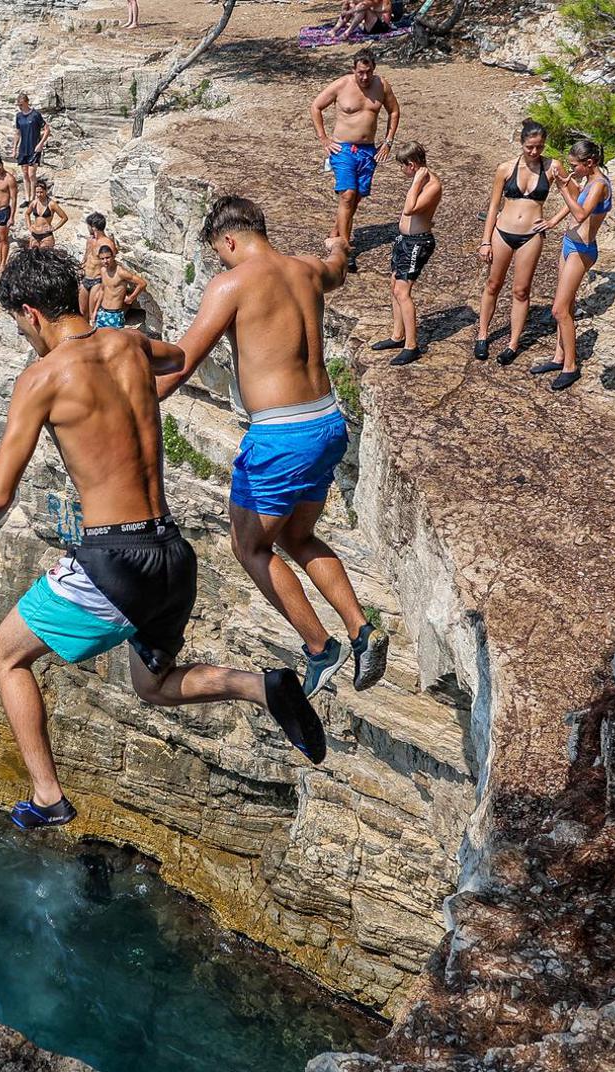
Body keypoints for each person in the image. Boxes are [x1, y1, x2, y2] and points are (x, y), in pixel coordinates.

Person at [0, 248, 328, 831]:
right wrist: (116, 335)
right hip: (172, 557)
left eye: (18, 324)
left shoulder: (43, 377)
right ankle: (262, 686)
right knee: (153, 686)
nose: (24, 336)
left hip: (115, 562)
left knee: (4, 656)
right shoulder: (131, 346)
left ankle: (48, 794)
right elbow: (179, 354)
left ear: (32, 313)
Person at [160, 196, 380, 697]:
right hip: (327, 423)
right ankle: (362, 630)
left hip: (281, 435)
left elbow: (182, 363)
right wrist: (337, 248)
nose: (221, 262)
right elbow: (337, 271)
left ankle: (321, 648)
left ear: (230, 240)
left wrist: (128, 406)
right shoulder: (305, 270)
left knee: (250, 545)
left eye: (220, 252)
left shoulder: (232, 284)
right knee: (297, 537)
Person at [529, 138, 611, 390]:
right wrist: (553, 220)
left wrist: (563, 188)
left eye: (575, 165)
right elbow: (577, 202)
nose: (572, 168)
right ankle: (558, 356)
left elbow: (580, 213)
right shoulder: (588, 180)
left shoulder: (599, 184)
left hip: (582, 249)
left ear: (590, 162)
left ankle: (571, 367)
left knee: (558, 310)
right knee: (567, 303)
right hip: (569, 243)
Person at [309, 49, 399, 273]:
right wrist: (324, 139)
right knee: (347, 195)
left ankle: (335, 232)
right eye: (360, 72)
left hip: (368, 150)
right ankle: (345, 249)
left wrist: (388, 142)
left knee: (355, 197)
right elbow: (316, 106)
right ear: (354, 70)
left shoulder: (382, 86)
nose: (365, 77)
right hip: (343, 149)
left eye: (368, 72)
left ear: (374, 69)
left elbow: (394, 112)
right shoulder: (341, 85)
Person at [475, 120, 556, 365]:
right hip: (503, 231)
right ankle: (482, 335)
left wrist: (552, 221)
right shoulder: (505, 168)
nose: (534, 152)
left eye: (539, 147)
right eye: (530, 147)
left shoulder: (552, 167)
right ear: (521, 143)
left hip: (531, 235)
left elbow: (574, 197)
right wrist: (485, 240)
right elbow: (493, 206)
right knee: (493, 284)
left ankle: (513, 343)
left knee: (521, 290)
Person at [369, 143, 441, 366]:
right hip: (405, 241)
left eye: (403, 167)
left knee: (403, 292)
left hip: (418, 243)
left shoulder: (432, 185)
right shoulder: (419, 180)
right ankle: (397, 336)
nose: (403, 172)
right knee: (394, 286)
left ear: (412, 165)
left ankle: (412, 346)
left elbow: (410, 208)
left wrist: (417, 182)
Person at [91, 245, 146, 329]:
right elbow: (102, 290)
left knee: (115, 341)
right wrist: (95, 311)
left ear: (113, 257)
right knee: (100, 340)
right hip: (102, 312)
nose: (105, 261)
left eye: (107, 257)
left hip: (115, 314)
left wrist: (131, 298)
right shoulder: (103, 270)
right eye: (102, 259)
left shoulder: (121, 272)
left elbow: (142, 283)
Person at [79, 213, 120, 319]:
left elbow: (112, 262)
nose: (88, 228)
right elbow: (86, 256)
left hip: (97, 281)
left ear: (93, 227)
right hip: (85, 278)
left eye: (89, 226)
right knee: (82, 311)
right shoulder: (90, 240)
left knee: (93, 314)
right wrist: (81, 267)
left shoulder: (108, 243)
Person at [13, 94, 48, 202]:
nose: (20, 106)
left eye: (21, 104)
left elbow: (47, 129)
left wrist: (41, 143)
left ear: (27, 102)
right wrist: (14, 148)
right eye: (18, 105)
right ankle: (27, 198)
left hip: (34, 147)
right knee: (24, 173)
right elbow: (17, 133)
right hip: (23, 148)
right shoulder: (18, 116)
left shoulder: (35, 115)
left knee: (32, 174)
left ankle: (33, 198)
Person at [25, 178, 68, 251]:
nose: (39, 195)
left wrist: (54, 228)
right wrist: (29, 226)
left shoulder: (52, 204)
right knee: (32, 256)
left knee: (45, 258)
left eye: (41, 192)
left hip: (46, 235)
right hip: (34, 234)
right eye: (37, 192)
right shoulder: (34, 203)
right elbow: (27, 214)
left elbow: (64, 218)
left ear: (46, 191)